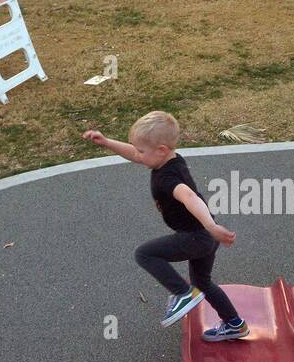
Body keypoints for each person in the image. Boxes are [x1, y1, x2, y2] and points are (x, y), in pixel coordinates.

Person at [83, 111, 249, 341]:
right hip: (204, 237)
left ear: (161, 150)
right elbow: (135, 154)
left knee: (145, 254)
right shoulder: (170, 159)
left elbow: (189, 196)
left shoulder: (168, 178)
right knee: (203, 283)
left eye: (142, 151)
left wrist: (211, 226)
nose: (138, 155)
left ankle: (182, 293)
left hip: (197, 236)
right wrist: (107, 142)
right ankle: (235, 324)